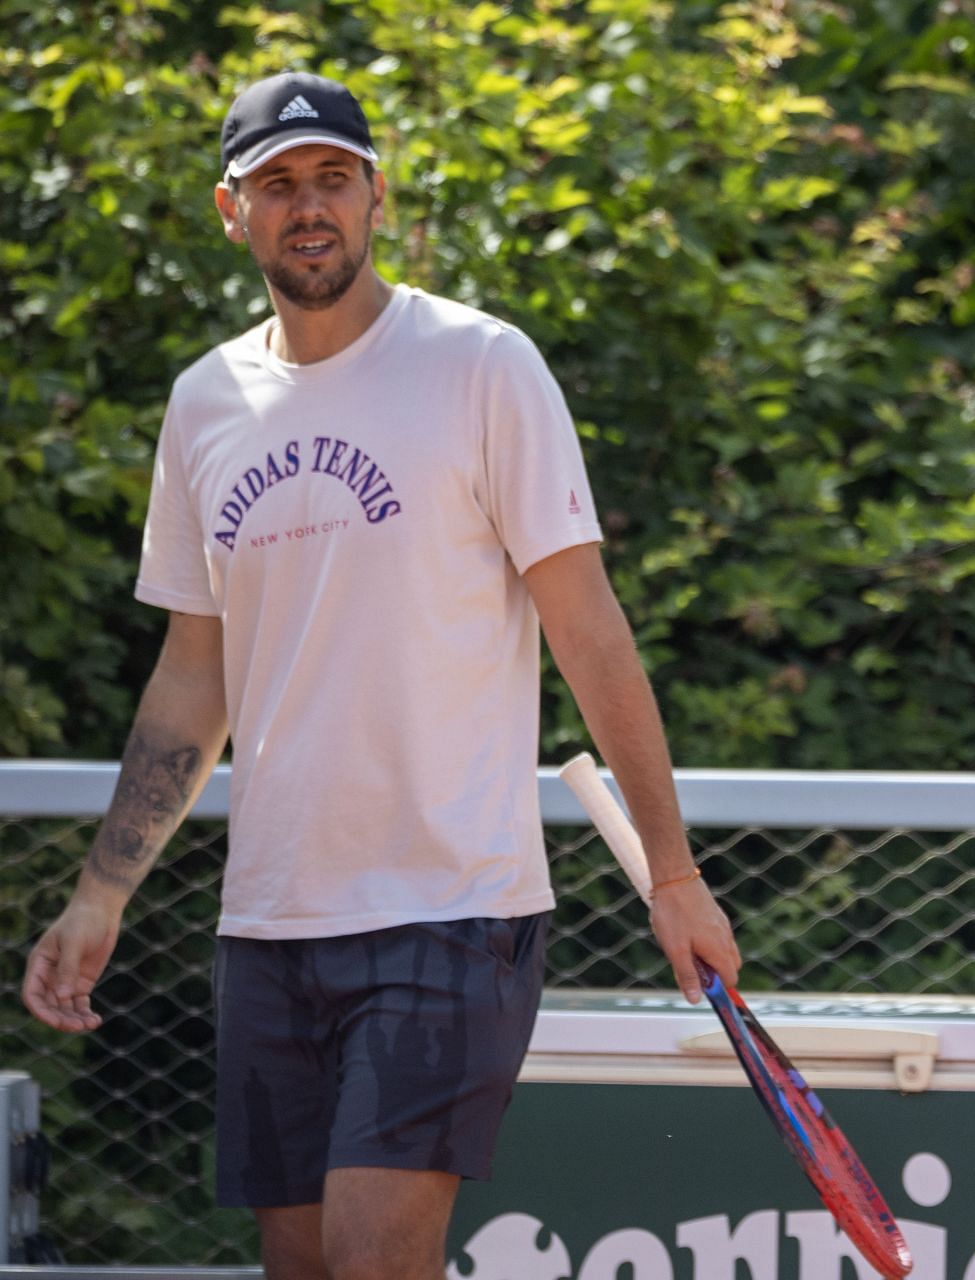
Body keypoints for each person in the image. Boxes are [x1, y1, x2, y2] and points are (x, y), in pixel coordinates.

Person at [21, 71, 741, 1280]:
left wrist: (674, 871)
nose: (310, 208)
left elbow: (591, 629)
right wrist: (103, 890)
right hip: (271, 919)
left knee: (372, 1259)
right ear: (230, 209)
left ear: (376, 194)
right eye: (279, 185)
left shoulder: (480, 364)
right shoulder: (205, 404)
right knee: (300, 1269)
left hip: (450, 909)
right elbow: (195, 676)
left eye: (333, 180)